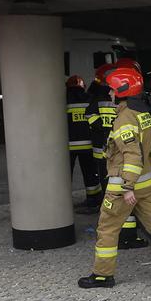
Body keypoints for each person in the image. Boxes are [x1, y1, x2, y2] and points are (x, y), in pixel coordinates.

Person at [78, 63, 151, 288]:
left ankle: (102, 274)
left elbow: (130, 153)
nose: (109, 92)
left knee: (107, 228)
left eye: (111, 89)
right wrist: (150, 160)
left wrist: (128, 186)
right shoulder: (143, 115)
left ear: (121, 91)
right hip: (144, 183)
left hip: (123, 187)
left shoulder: (124, 118)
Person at [86, 59, 147, 249]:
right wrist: (105, 128)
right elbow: (89, 115)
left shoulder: (119, 106)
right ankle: (125, 236)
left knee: (115, 201)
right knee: (118, 200)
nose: (110, 93)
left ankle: (122, 236)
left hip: (115, 157)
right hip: (113, 157)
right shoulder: (132, 106)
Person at [66, 75, 101, 209]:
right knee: (91, 173)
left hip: (68, 147)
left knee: (65, 175)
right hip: (88, 145)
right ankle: (93, 200)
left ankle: (63, 201)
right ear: (83, 87)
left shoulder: (62, 100)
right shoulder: (89, 99)